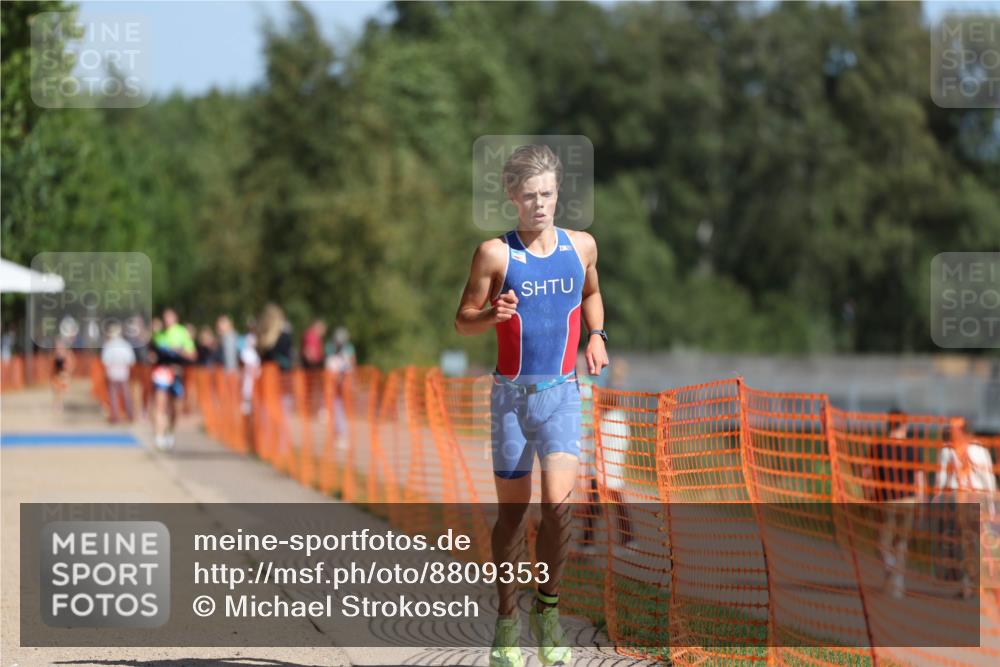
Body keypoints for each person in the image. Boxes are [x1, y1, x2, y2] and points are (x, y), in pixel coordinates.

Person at [455, 144, 608, 667]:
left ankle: (548, 612)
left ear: (558, 192)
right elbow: (462, 319)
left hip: (563, 396)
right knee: (513, 517)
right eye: (529, 195)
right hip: (511, 401)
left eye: (547, 193)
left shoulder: (582, 246)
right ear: (512, 197)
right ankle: (505, 623)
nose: (540, 204)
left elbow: (591, 294)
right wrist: (492, 315)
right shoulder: (495, 254)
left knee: (559, 510)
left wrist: (597, 334)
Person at [933, 423, 997, 598]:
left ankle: (968, 583)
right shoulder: (981, 450)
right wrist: (991, 505)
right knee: (977, 542)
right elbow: (989, 480)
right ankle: (977, 583)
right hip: (977, 498)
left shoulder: (948, 450)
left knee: (962, 543)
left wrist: (937, 503)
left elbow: (941, 481)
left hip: (958, 499)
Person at [579, 355, 633, 556]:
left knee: (610, 500)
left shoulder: (613, 419)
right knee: (596, 503)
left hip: (607, 468)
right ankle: (588, 542)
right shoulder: (605, 417)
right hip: (602, 467)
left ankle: (626, 540)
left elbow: (609, 448)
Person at [871, 409, 925, 599]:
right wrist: (922, 503)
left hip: (887, 500)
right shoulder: (913, 447)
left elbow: (868, 475)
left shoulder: (878, 446)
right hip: (908, 500)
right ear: (905, 425)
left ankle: (893, 571)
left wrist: (869, 497)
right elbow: (920, 478)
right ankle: (898, 583)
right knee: (901, 542)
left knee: (883, 543)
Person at [150, 308, 196, 450]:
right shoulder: (158, 334)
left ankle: (170, 431)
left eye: (169, 317)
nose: (167, 320)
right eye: (165, 318)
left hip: (176, 373)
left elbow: (192, 355)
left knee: (176, 408)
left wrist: (179, 351)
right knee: (160, 405)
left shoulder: (182, 333)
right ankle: (159, 436)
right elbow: (151, 352)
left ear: (175, 318)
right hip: (162, 373)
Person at [101, 322, 136, 423]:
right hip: (123, 373)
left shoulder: (108, 345)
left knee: (113, 396)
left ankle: (115, 416)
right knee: (126, 395)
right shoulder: (126, 345)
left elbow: (105, 361)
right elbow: (131, 361)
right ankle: (130, 415)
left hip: (113, 373)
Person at [51, 337, 75, 413]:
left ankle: (60, 404)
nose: (58, 346)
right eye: (57, 345)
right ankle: (56, 404)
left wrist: (67, 373)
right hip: (56, 375)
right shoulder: (55, 354)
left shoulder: (67, 354)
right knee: (56, 390)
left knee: (61, 391)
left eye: (60, 345)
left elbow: (70, 365)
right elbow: (52, 365)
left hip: (63, 375)